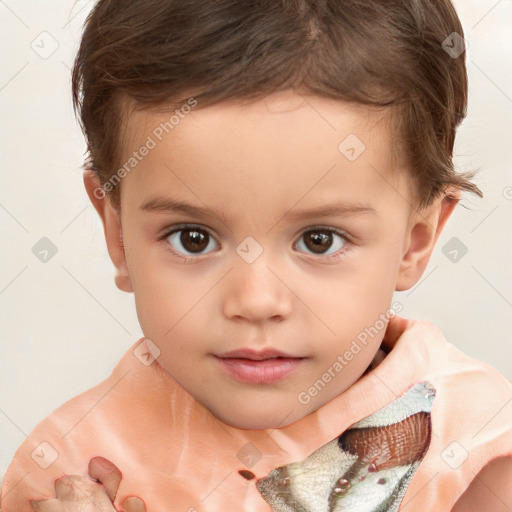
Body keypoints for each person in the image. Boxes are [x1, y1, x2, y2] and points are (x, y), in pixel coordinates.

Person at [2, 0, 511, 511]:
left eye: (320, 240)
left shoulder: (475, 451)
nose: (256, 301)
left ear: (415, 239)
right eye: (193, 238)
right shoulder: (69, 472)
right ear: (118, 234)